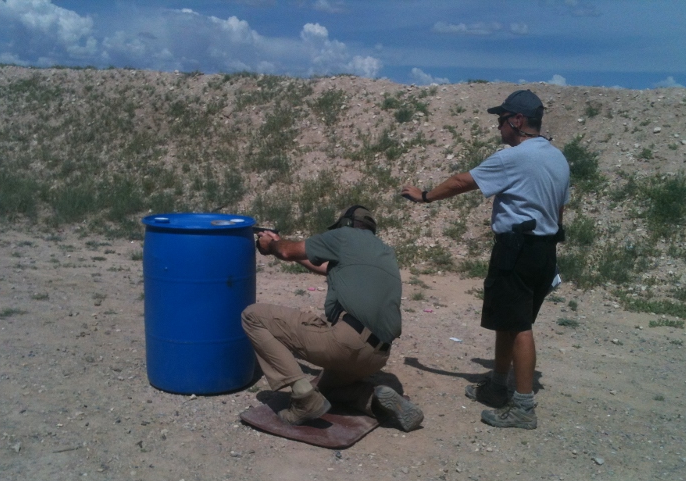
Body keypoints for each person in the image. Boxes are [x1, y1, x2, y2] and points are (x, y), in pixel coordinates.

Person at [401, 89, 569, 430]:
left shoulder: (515, 157)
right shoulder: (557, 158)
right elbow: (559, 208)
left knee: (519, 325)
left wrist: (425, 196)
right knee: (509, 319)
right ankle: (497, 386)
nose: (499, 126)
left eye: (502, 119)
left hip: (517, 248)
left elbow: (464, 181)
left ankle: (522, 406)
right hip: (544, 249)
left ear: (517, 121)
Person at [241, 205, 424, 431]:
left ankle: (303, 398)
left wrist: (271, 245)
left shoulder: (343, 236)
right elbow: (323, 265)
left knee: (253, 316)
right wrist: (284, 246)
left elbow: (287, 251)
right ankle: (374, 400)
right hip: (376, 356)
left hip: (345, 343)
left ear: (345, 224)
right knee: (326, 391)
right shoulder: (382, 251)